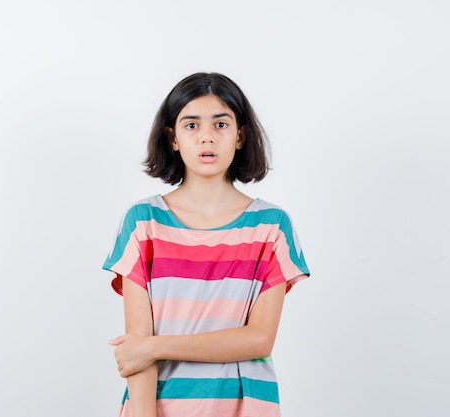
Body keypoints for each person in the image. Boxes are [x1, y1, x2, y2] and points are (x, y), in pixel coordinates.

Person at [102, 72, 310, 417]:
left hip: (245, 406)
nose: (207, 138)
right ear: (172, 138)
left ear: (241, 136)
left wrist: (153, 347)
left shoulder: (272, 226)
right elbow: (137, 350)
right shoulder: (143, 222)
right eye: (192, 125)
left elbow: (258, 339)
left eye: (221, 124)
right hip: (159, 406)